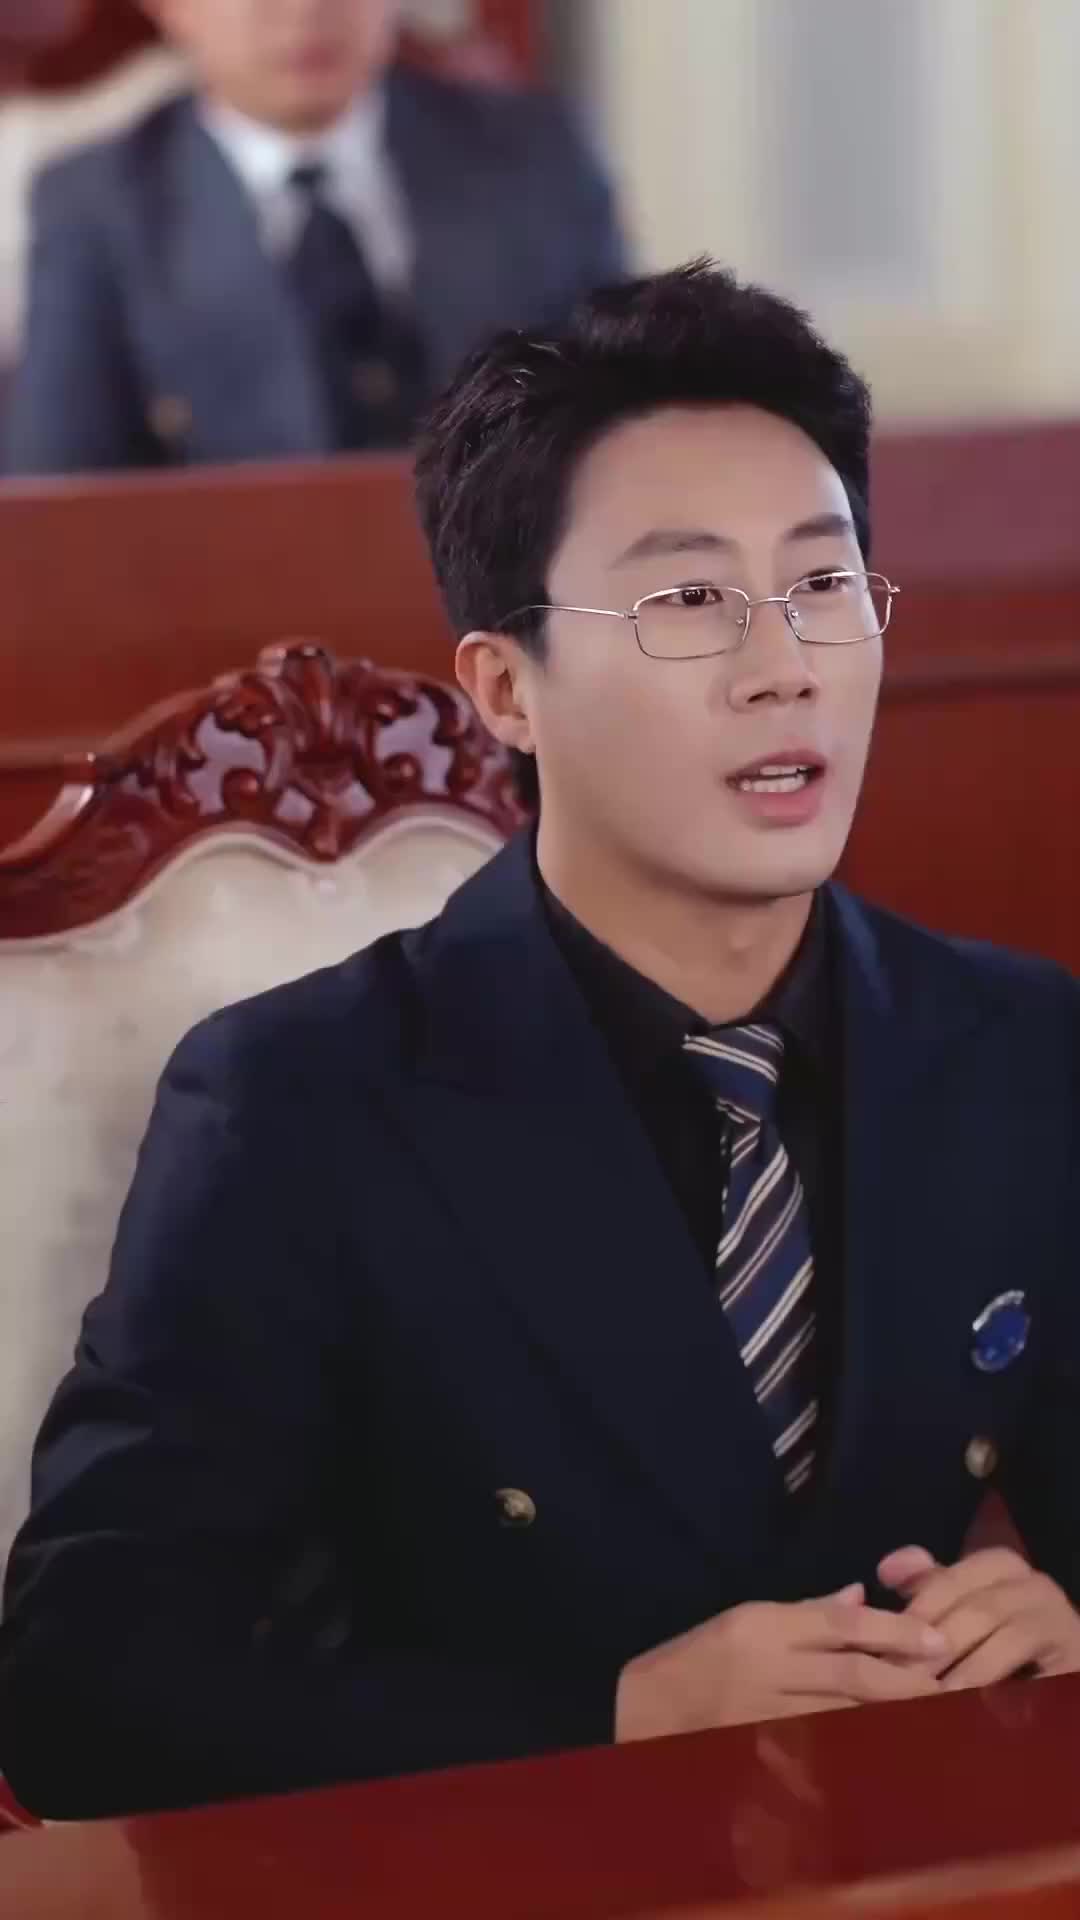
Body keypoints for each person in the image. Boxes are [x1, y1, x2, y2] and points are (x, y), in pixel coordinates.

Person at [3, 261, 1080, 1820]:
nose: (786, 664)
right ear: (506, 688)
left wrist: (1060, 1627)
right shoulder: (299, 1103)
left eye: (825, 585)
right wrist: (615, 1712)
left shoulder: (1023, 1049)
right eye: (690, 600)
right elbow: (83, 1686)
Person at [3, 0, 623, 472]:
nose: (305, 13)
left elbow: (627, 417)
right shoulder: (94, 205)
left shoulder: (537, 154)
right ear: (169, 8)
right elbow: (61, 498)